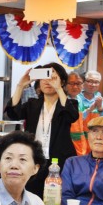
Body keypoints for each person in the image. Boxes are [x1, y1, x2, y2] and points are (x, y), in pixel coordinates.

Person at [6, 63, 78, 197]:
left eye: (52, 77)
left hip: (59, 161)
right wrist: (20, 86)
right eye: (44, 77)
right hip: (35, 159)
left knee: (56, 198)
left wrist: (59, 89)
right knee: (31, 196)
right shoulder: (33, 104)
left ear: (61, 81)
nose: (47, 81)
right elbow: (13, 113)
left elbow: (71, 115)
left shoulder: (69, 103)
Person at [65, 72, 89, 156]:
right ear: (64, 84)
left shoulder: (80, 98)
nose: (75, 87)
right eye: (71, 83)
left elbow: (81, 117)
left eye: (78, 83)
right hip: (66, 141)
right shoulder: (62, 99)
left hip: (79, 142)